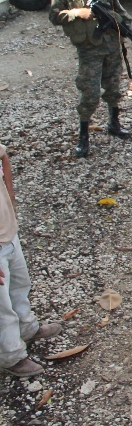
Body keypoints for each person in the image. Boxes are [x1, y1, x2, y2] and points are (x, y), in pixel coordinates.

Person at [49, 0, 132, 158]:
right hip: (89, 48)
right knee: (90, 93)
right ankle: (83, 136)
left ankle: (114, 123)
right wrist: (76, 13)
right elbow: (54, 16)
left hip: (111, 45)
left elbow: (119, 10)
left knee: (113, 87)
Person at [0, 145, 63, 377]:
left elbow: (3, 154)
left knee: (20, 285)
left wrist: (10, 200)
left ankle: (27, 328)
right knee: (2, 306)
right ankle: (11, 355)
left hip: (8, 232)